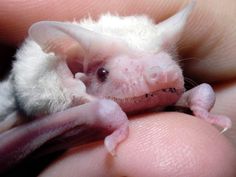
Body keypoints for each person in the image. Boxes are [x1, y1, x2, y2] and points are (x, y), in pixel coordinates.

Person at [0, 0, 236, 176]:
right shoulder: (51, 94)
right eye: (104, 74)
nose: (159, 75)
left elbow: (203, 91)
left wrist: (200, 106)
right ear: (75, 77)